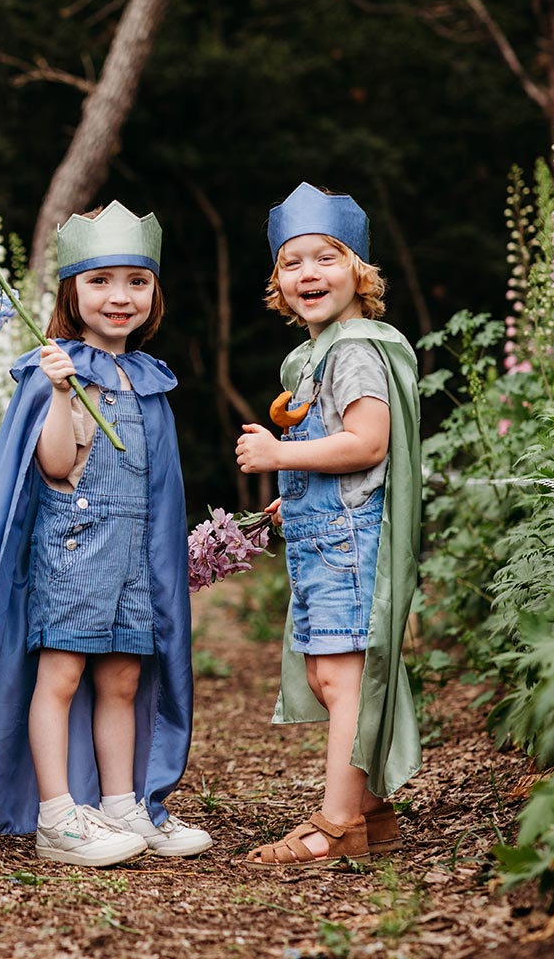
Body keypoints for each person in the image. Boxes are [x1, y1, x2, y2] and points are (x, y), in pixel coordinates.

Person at [0, 201, 212, 867]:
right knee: (59, 678)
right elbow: (55, 464)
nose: (120, 297)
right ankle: (58, 817)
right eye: (100, 281)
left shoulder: (148, 380)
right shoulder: (55, 369)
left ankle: (122, 806)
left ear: (155, 292)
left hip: (133, 561)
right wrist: (60, 391)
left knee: (119, 681)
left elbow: (158, 488)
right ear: (71, 290)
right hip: (76, 552)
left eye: (136, 282)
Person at [235, 183, 422, 867]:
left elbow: (368, 442)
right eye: (293, 263)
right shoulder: (318, 354)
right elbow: (341, 454)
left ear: (360, 274)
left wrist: (282, 453)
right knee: (329, 676)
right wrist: (297, 489)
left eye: (327, 258)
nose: (308, 274)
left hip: (349, 545)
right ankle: (372, 812)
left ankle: (337, 824)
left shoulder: (354, 352)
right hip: (324, 539)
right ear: (279, 284)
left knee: (343, 678)